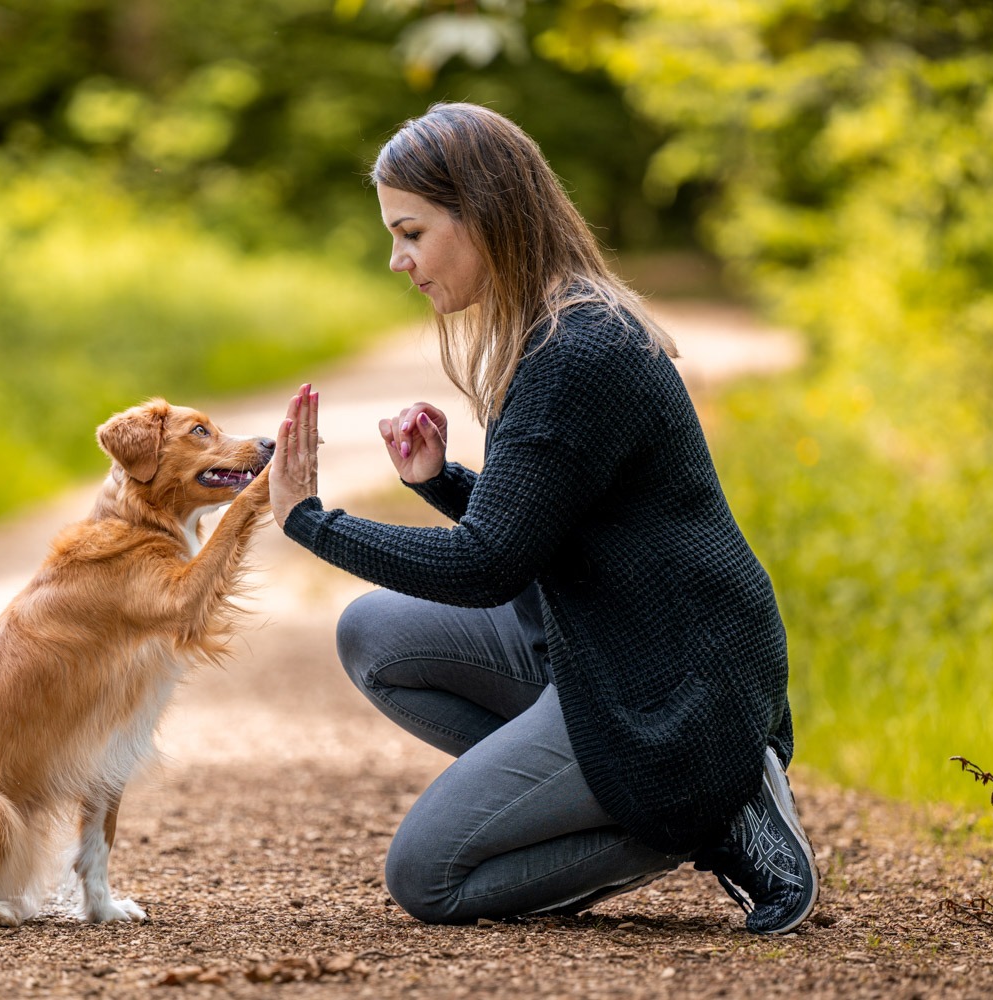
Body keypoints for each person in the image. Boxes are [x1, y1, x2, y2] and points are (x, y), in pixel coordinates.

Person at [265, 103, 818, 934]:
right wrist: (440, 482)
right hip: (606, 645)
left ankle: (706, 808)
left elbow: (486, 566)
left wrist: (311, 521)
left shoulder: (576, 352)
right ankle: (651, 794)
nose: (396, 259)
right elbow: (539, 527)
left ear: (483, 213)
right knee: (375, 635)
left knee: (428, 877)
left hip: (673, 685)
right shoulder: (559, 326)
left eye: (411, 232)